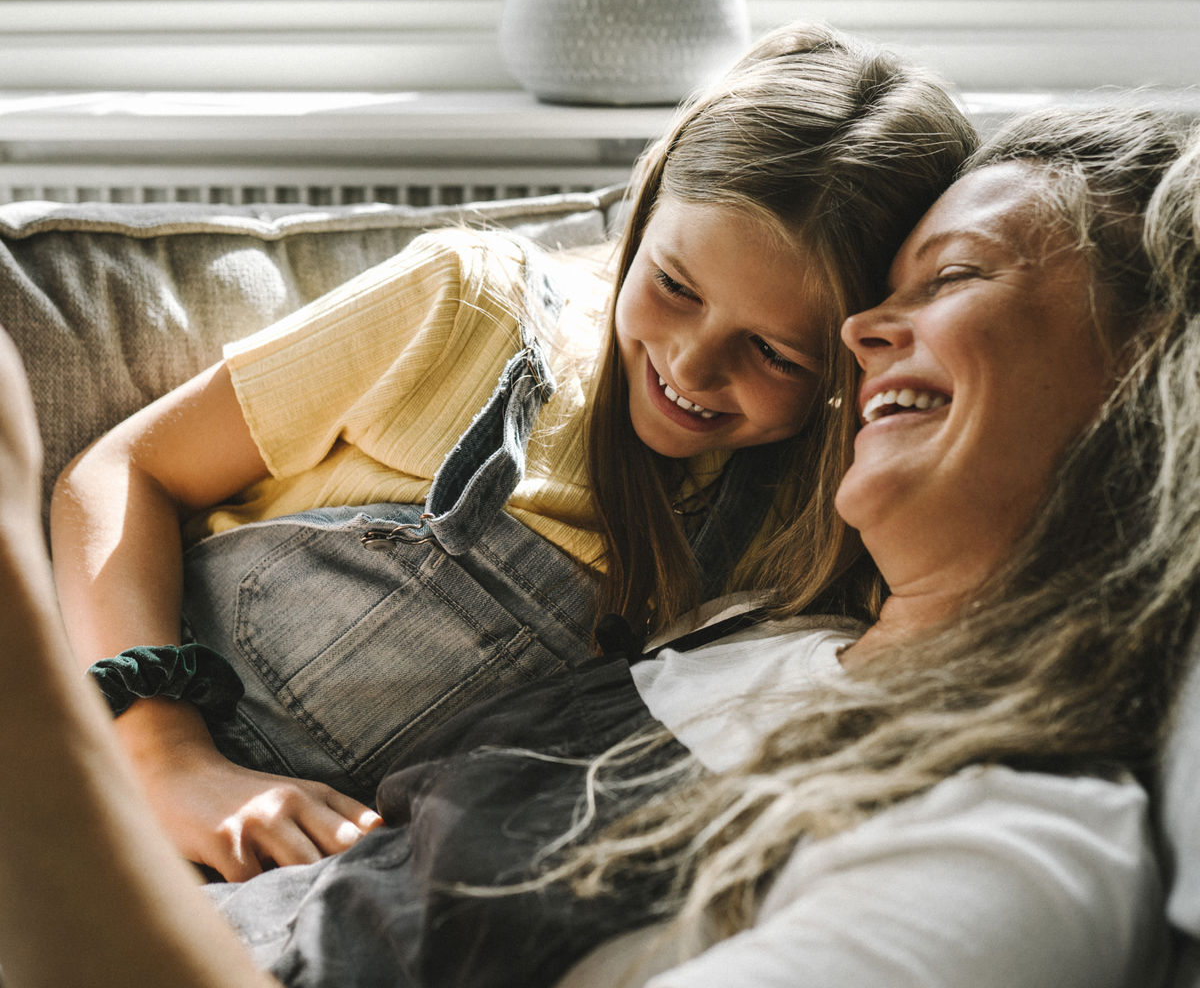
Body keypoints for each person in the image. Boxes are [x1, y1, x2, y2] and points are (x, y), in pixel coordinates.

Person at [2, 101, 1196, 988]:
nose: (870, 336)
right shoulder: (764, 625)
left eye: (959, 278)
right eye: (884, 299)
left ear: (1156, 367)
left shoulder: (1013, 844)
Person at [46, 21, 977, 881]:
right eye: (674, 285)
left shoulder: (814, 516)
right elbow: (120, 473)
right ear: (645, 209)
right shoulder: (465, 309)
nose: (693, 364)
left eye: (774, 351)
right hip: (100, 771)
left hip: (322, 895)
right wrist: (168, 758)